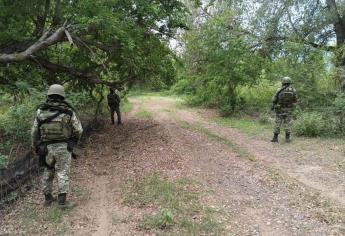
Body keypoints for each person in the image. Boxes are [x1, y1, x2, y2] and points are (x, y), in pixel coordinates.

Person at [31, 84, 83, 208]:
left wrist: (35, 146)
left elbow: (34, 132)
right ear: (62, 96)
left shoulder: (40, 111)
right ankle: (62, 202)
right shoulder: (68, 112)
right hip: (63, 147)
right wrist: (74, 141)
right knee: (63, 172)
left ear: (49, 95)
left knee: (48, 172)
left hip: (46, 148)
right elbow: (79, 130)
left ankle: (48, 199)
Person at [271, 77, 298, 143]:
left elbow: (274, 100)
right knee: (287, 123)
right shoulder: (293, 90)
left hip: (279, 109)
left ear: (283, 82)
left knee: (277, 123)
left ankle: (275, 138)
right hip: (288, 109)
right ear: (289, 82)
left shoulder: (279, 90)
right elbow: (295, 100)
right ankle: (287, 139)